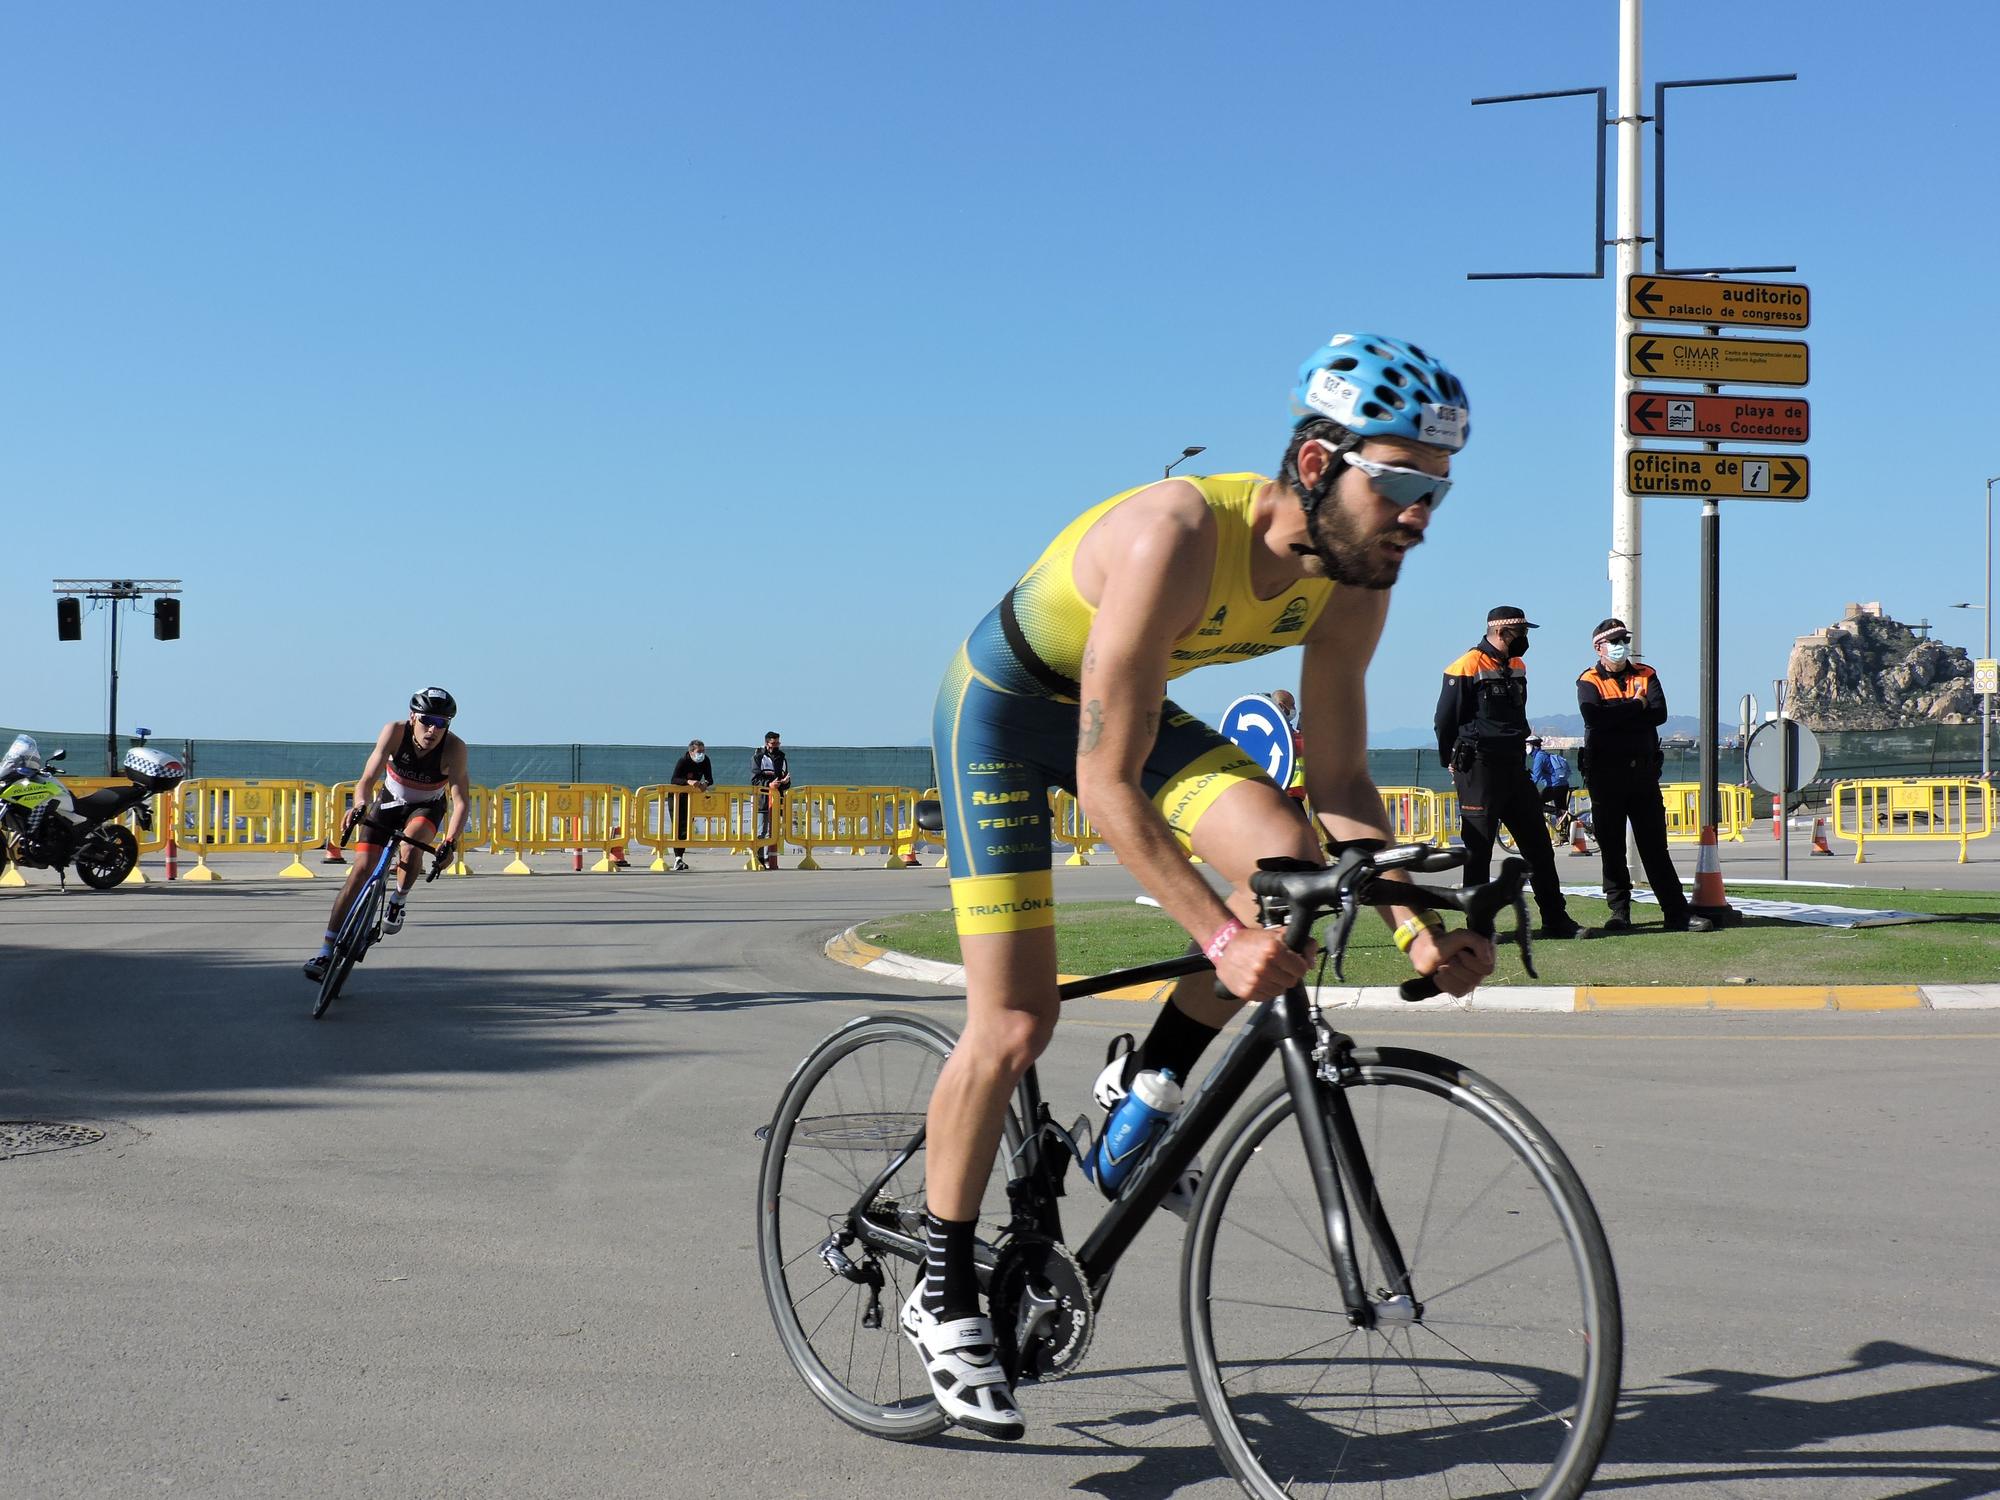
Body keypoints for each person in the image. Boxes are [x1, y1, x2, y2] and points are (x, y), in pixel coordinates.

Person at [913, 333, 1496, 1440]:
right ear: (1319, 465)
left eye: (1439, 491)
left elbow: (1338, 779)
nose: (1421, 515)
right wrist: (1215, 939)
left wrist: (1418, 926)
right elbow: (1103, 784)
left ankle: (1139, 1101)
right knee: (1015, 1020)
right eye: (1404, 484)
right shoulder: (1173, 533)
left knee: (1293, 872)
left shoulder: (1354, 581)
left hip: (1117, 715)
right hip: (1000, 711)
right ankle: (940, 1293)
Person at [1434, 608, 1587, 939]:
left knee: (1538, 846)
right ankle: (1478, 928)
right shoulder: (1465, 666)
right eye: (1521, 633)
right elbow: (1445, 720)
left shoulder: (1517, 665)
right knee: (1479, 852)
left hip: (1515, 768)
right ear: (1502, 633)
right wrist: (1450, 759)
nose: (1525, 640)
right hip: (1478, 768)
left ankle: (1555, 919)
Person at [304, 689, 468, 981]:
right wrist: (359, 805)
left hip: (427, 807)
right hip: (389, 801)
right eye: (427, 720)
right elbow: (367, 779)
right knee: (360, 871)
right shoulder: (394, 731)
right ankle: (325, 951)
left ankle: (398, 900)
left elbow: (461, 800)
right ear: (412, 717)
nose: (433, 729)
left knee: (411, 841)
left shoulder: (455, 748)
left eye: (441, 723)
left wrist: (450, 842)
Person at [1576, 619, 1714, 933]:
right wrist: (1635, 706)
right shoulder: (1588, 680)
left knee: (1655, 848)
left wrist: (1621, 712)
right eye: (1613, 640)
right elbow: (1593, 718)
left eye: (1624, 639)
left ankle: (1676, 913)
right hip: (1605, 776)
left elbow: (1659, 714)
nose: (1621, 644)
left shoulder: (1646, 674)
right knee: (1611, 849)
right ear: (1598, 647)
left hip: (1643, 775)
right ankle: (1619, 914)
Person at [667, 738, 713, 870]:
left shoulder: (706, 760)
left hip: (692, 797)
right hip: (676, 797)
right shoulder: (683, 761)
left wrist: (705, 784)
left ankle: (680, 858)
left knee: (686, 827)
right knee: (678, 826)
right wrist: (688, 781)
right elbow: (674, 779)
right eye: (699, 751)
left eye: (703, 751)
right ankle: (677, 858)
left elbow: (710, 778)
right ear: (691, 752)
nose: (702, 754)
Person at [748, 731, 790, 871]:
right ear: (767, 743)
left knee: (772, 832)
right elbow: (755, 780)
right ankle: (758, 859)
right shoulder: (758, 757)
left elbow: (784, 778)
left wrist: (785, 782)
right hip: (762, 800)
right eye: (773, 743)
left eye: (778, 743)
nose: (776, 745)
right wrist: (769, 784)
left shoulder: (782, 758)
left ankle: (769, 860)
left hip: (777, 800)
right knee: (761, 831)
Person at [1269, 688, 1311, 814]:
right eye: (1292, 705)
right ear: (1282, 706)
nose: (1294, 708)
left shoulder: (1283, 730)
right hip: (1288, 794)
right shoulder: (1278, 731)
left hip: (1290, 794)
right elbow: (1301, 747)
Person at [1527, 735, 1574, 821]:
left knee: (1536, 803)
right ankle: (1566, 831)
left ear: (1532, 746)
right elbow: (1541, 775)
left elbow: (1536, 778)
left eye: (1527, 745)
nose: (1525, 748)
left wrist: (1528, 789)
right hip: (1563, 786)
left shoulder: (1539, 757)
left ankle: (1560, 813)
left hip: (1554, 786)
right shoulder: (1545, 754)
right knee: (1562, 814)